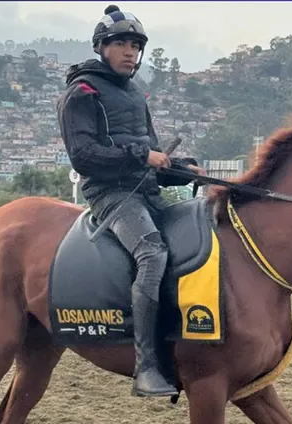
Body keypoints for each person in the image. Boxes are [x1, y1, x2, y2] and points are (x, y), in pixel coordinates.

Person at [57, 4, 206, 397]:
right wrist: (141, 156)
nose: (129, 52)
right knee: (152, 253)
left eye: (135, 45)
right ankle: (146, 366)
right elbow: (83, 156)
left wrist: (183, 169)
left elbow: (155, 157)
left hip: (147, 192)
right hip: (110, 195)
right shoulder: (81, 92)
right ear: (101, 47)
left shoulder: (136, 94)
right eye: (120, 43)